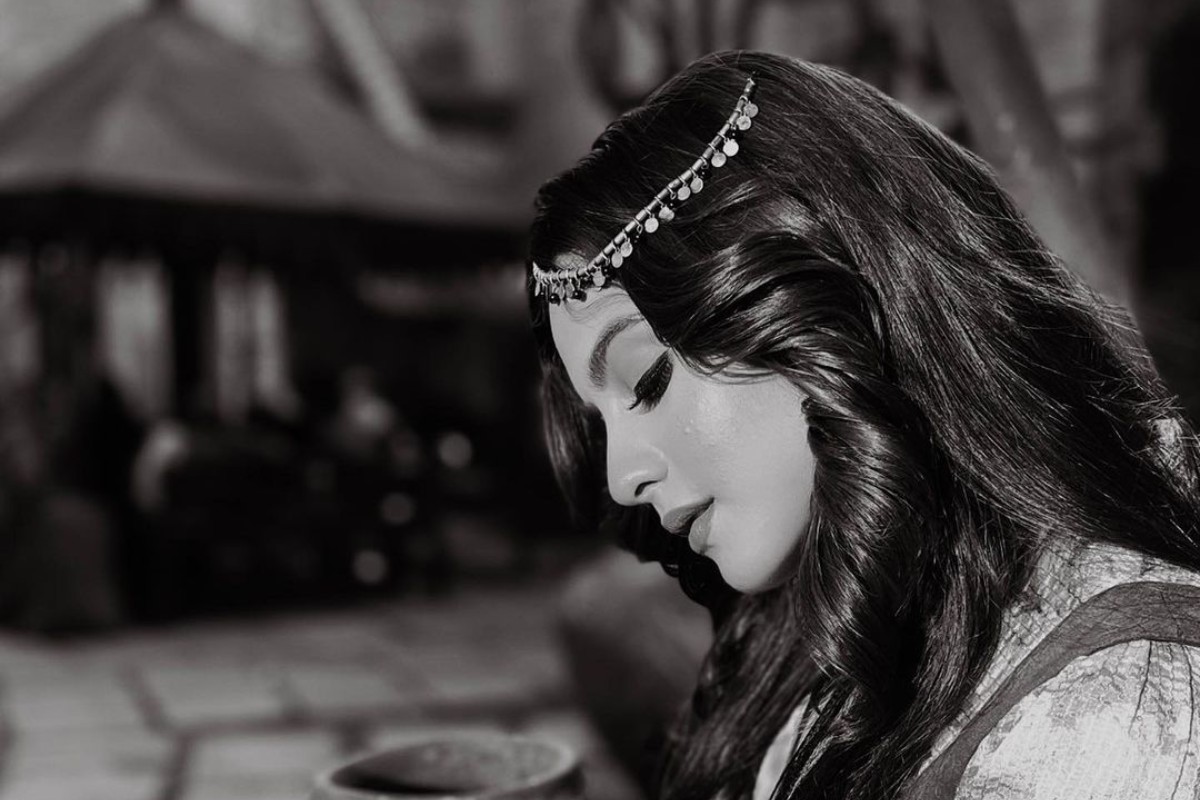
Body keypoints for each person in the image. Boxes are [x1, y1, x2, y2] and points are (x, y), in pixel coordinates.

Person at [525, 51, 1200, 800]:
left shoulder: (1119, 712)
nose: (622, 477)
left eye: (648, 380)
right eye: (601, 422)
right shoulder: (852, 595)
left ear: (830, 295)